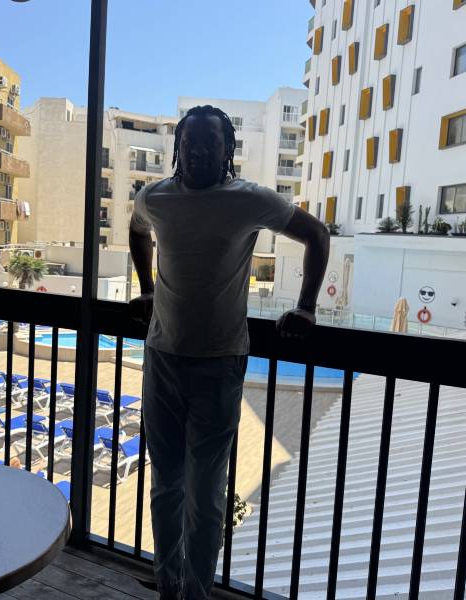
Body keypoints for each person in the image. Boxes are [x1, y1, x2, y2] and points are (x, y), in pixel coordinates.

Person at [128, 105, 330, 600]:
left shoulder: (249, 199)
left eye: (210, 143)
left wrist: (306, 307)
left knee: (205, 493)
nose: (198, 150)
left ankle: (195, 593)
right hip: (162, 357)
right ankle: (168, 584)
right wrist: (147, 288)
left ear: (227, 150)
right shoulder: (155, 196)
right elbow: (137, 230)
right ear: (178, 147)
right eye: (190, 141)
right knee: (166, 483)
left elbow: (317, 235)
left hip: (220, 363)